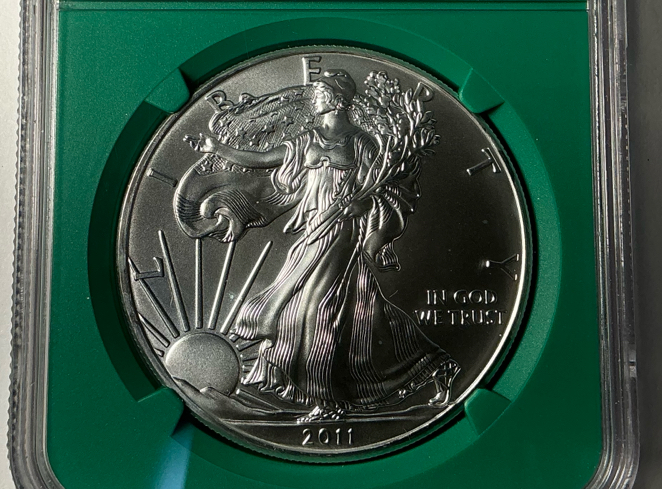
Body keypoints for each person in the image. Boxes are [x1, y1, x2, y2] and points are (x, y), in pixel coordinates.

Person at [181, 68, 457, 423]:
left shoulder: (361, 143)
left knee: (315, 309)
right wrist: (217, 148)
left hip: (343, 231)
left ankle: (328, 399)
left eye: (321, 92)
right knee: (362, 311)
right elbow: (265, 160)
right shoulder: (308, 139)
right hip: (315, 227)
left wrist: (362, 204)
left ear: (338, 100)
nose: (314, 97)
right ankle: (433, 365)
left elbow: (385, 189)